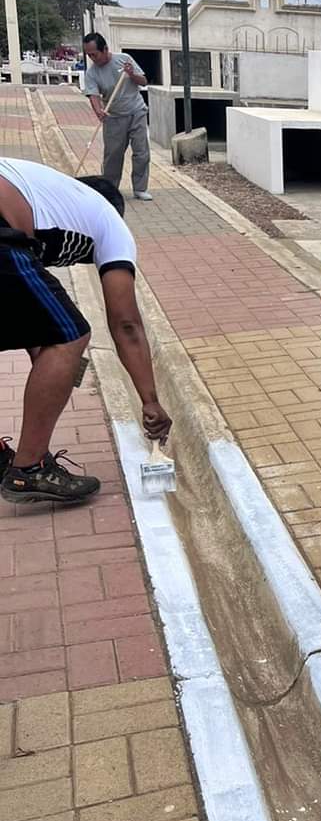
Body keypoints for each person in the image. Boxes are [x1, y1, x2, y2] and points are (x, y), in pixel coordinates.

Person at [0, 158, 172, 504]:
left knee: (58, 332)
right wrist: (150, 400)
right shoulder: (109, 219)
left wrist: (57, 369)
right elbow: (125, 322)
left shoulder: (50, 196)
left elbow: (34, 321)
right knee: (74, 333)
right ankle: (30, 468)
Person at [82, 33, 153, 202]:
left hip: (136, 111)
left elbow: (143, 81)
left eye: (94, 54)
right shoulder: (92, 73)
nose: (92, 58)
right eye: (89, 55)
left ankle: (140, 188)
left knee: (141, 152)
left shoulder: (124, 59)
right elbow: (93, 95)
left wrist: (131, 74)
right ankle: (110, 190)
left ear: (105, 49)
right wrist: (99, 111)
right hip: (113, 117)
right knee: (113, 156)